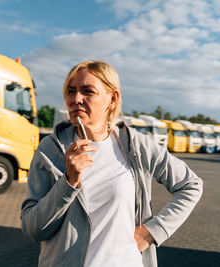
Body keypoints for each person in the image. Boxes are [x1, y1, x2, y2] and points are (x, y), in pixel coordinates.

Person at [20, 60, 203, 267]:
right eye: (71, 91)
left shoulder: (136, 146)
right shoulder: (51, 150)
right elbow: (32, 228)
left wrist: (152, 232)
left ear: (112, 99)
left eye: (87, 91)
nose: (76, 99)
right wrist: (68, 182)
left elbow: (191, 185)